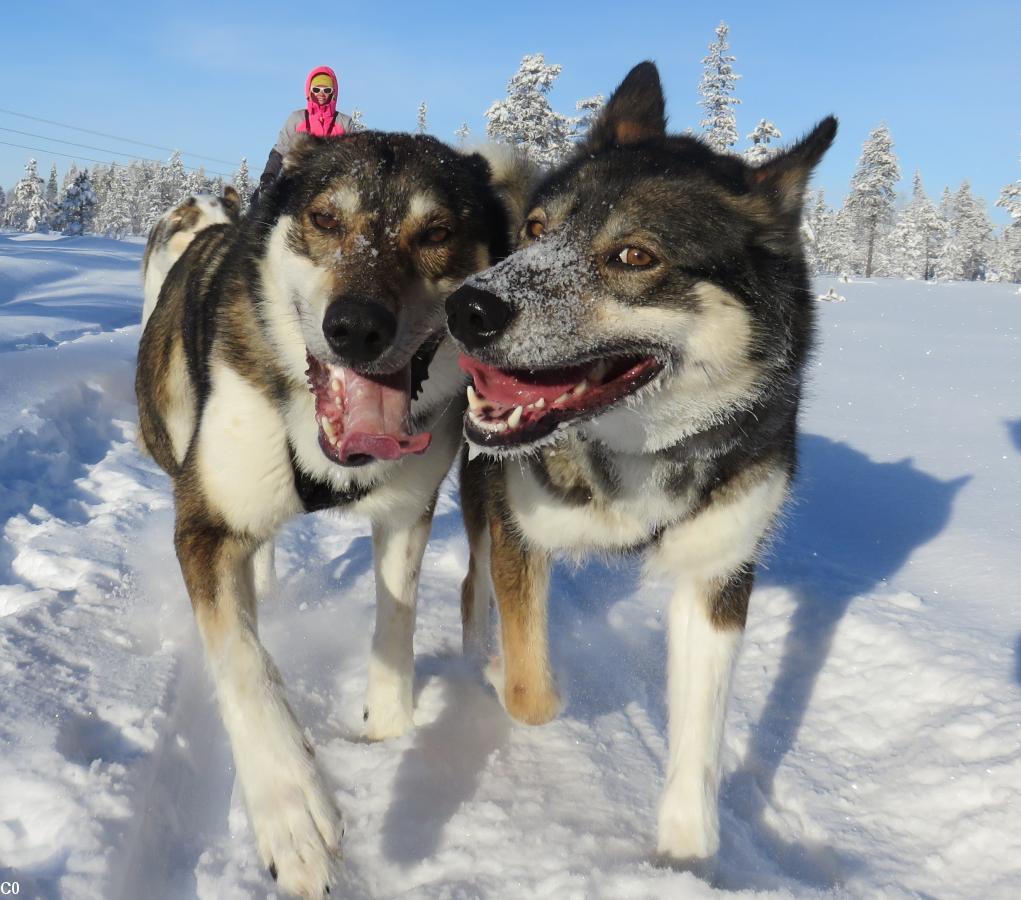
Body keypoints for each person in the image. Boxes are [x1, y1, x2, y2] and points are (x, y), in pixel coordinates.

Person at [258, 65, 353, 193]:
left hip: (332, 190)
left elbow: (353, 158)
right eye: (316, 89)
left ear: (333, 92)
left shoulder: (344, 123)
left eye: (327, 90)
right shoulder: (297, 119)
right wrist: (268, 176)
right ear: (310, 91)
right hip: (297, 188)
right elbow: (279, 151)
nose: (321, 94)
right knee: (260, 201)